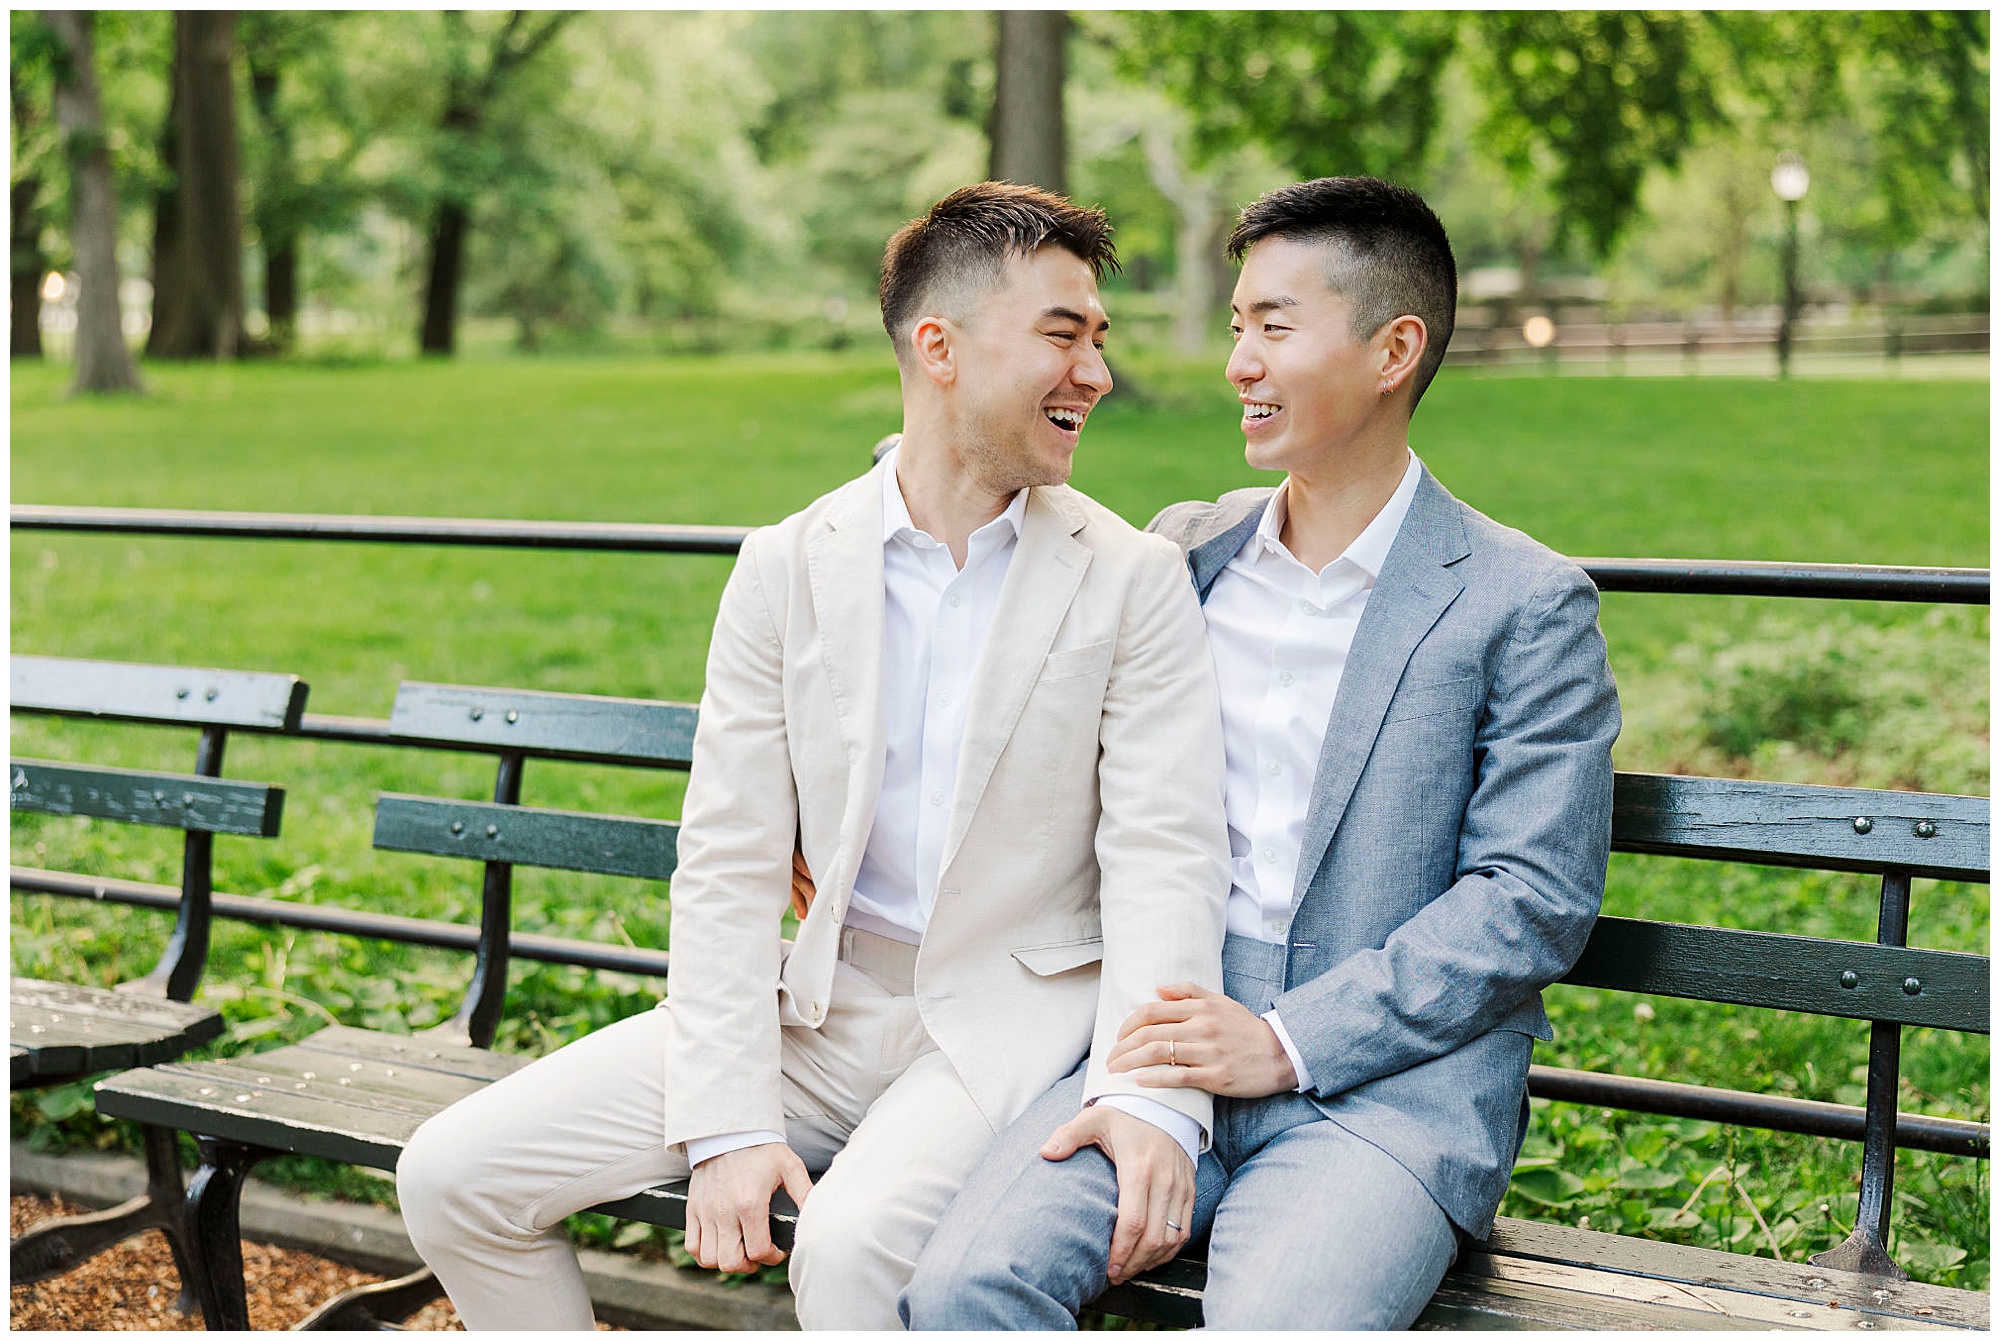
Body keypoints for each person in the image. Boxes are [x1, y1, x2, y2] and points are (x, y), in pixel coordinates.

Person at [394, 182, 1231, 1330]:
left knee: (845, 1255)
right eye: (1060, 335)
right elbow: (732, 861)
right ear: (938, 347)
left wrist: (1147, 1095)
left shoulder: (1131, 580)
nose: (1093, 373)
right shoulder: (786, 565)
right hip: (819, 1011)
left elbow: (1165, 860)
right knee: (453, 1175)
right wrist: (732, 1121)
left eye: (1098, 339)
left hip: (1003, 1029)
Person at [900, 176, 1622, 1330]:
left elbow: (1529, 898)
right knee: (959, 1291)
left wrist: (1286, 1042)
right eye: (1237, 325)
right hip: (1152, 1050)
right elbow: (1017, 716)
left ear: (1393, 351)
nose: (1238, 359)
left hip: (1379, 1101)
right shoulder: (1181, 552)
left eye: (1273, 328)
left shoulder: (1519, 603)